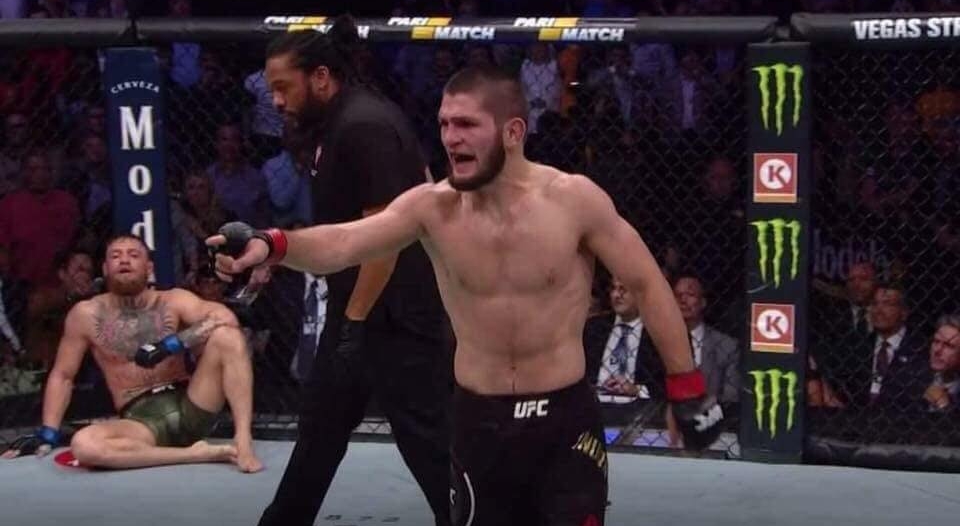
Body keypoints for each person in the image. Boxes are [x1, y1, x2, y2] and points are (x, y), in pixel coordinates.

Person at [211, 65, 724, 525]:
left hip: (564, 421)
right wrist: (272, 244)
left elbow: (646, 282)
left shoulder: (573, 201)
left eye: (466, 124)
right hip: (480, 423)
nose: (450, 138)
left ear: (513, 132)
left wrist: (686, 386)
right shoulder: (432, 209)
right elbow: (344, 243)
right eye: (443, 124)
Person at [252, 15, 452, 526]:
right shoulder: (340, 122)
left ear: (320, 77)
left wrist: (354, 324)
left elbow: (385, 240)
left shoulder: (363, 125)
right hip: (364, 307)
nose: (276, 100)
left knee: (427, 440)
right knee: (321, 428)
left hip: (397, 314)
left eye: (283, 87)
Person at [1, 235, 263, 473]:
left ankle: (243, 439)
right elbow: (63, 375)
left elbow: (225, 317)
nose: (124, 260)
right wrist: (48, 432)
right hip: (140, 422)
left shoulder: (173, 299)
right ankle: (194, 454)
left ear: (149, 268)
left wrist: (172, 344)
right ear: (105, 269)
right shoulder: (85, 314)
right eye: (116, 256)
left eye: (133, 255)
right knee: (85, 445)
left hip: (193, 403)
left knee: (228, 336)